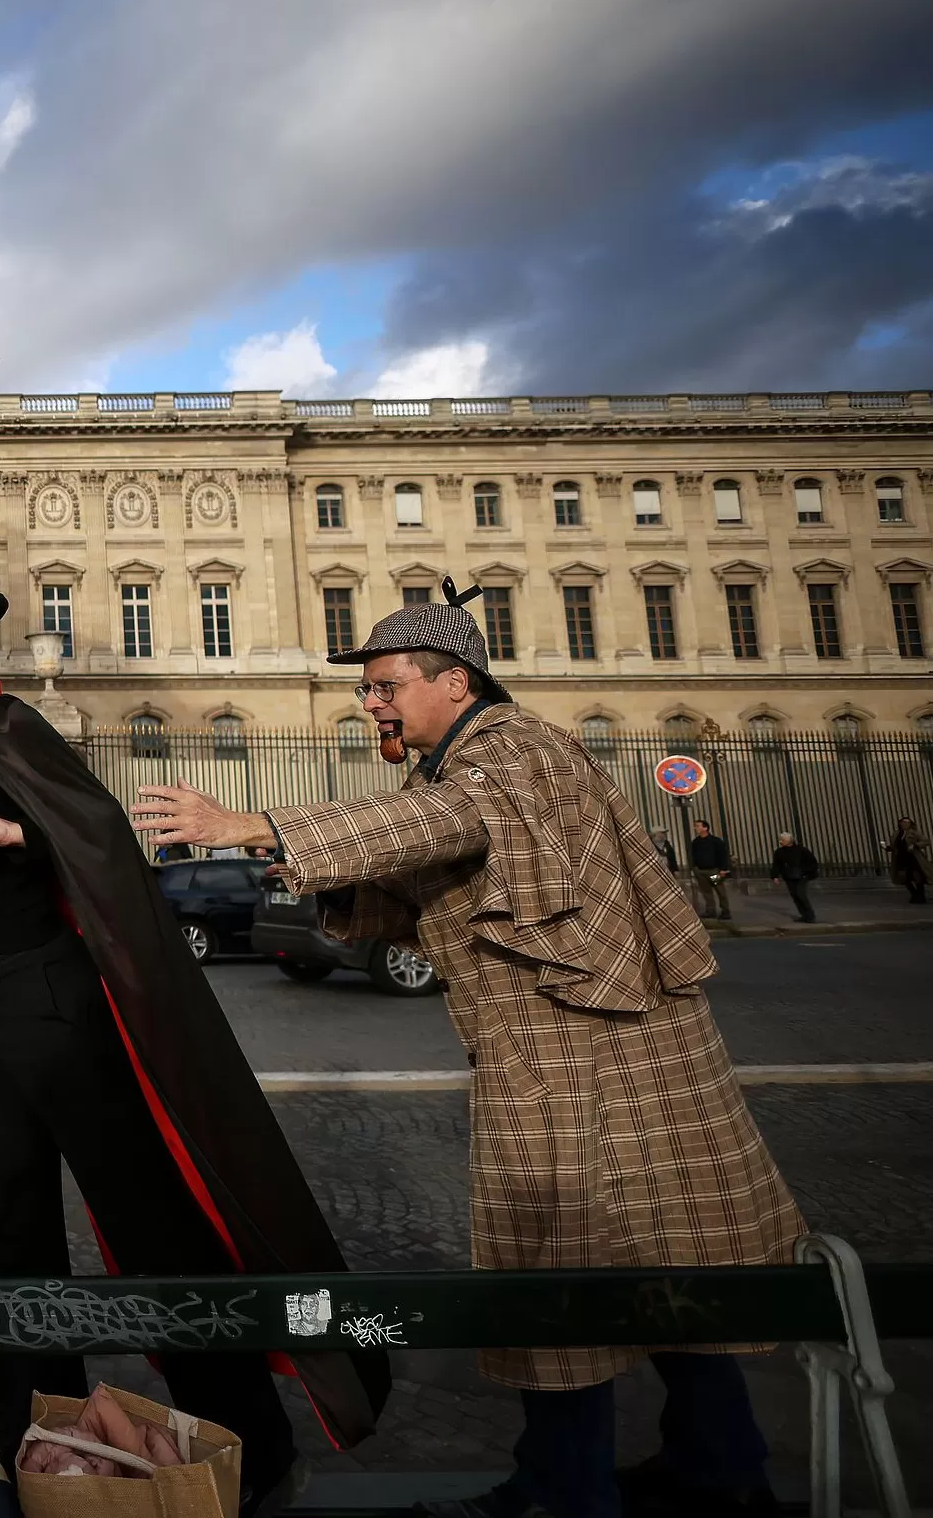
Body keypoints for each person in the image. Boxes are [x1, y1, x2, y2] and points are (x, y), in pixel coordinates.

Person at [134, 599, 804, 1518]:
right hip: (606, 1047)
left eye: (385, 684)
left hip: (577, 1055)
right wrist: (302, 870)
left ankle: (562, 1489)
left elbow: (447, 822)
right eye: (364, 687)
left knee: (554, 1275)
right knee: (671, 1262)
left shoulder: (506, 749)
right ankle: (719, 1470)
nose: (370, 702)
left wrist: (257, 825)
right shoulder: (466, 762)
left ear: (455, 682)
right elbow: (416, 875)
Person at [0, 535, 387, 1515]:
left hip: (45, 989)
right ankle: (42, 1447)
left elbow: (92, 834)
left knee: (140, 1208)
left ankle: (249, 1439)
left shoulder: (9, 723)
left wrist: (5, 831)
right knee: (12, 1225)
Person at [687, 818, 734, 920]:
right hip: (701, 871)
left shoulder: (715, 841)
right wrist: (694, 868)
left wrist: (723, 869)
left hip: (713, 870)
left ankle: (725, 911)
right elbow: (692, 855)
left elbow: (722, 855)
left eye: (698, 826)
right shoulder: (696, 842)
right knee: (706, 892)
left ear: (705, 828)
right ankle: (710, 910)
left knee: (720, 891)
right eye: (696, 826)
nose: (696, 828)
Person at [769, 832, 820, 923]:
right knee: (795, 896)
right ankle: (804, 915)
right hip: (789, 876)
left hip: (802, 876)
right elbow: (776, 865)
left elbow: (812, 862)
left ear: (789, 841)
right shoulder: (779, 852)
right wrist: (775, 876)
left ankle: (810, 915)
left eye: (783, 840)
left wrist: (805, 872)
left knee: (800, 894)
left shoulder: (801, 850)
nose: (780, 842)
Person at [886, 817, 929, 905]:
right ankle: (915, 894)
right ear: (900, 823)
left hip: (913, 857)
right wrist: (889, 848)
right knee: (904, 878)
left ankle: (920, 896)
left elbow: (926, 841)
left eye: (908, 822)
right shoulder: (897, 833)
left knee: (917, 876)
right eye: (904, 822)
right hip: (901, 858)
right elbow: (895, 845)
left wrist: (915, 845)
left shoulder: (914, 832)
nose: (905, 824)